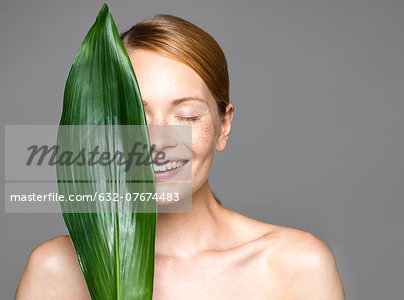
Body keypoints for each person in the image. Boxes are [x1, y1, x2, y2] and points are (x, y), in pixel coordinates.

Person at [15, 14, 345, 299]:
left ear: (223, 126)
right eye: (135, 116)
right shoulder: (55, 270)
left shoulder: (297, 265)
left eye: (187, 116)